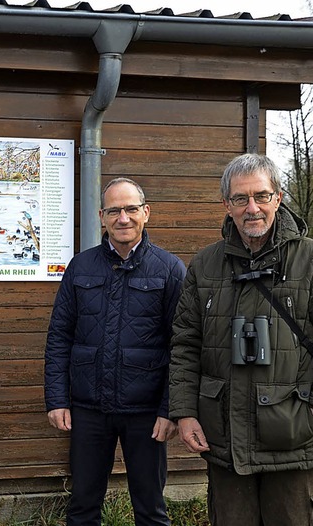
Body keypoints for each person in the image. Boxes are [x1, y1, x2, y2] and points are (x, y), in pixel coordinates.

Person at [170, 153, 313, 525]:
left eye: (261, 196)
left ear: (278, 198)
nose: (252, 208)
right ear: (226, 205)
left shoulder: (309, 260)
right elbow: (186, 344)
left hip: (294, 435)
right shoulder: (205, 264)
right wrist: (185, 413)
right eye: (240, 199)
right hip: (225, 435)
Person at [44, 177, 186, 526]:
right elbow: (60, 336)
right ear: (101, 216)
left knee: (151, 509)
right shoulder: (81, 267)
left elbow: (183, 346)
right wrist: (57, 398)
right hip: (89, 409)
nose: (123, 218)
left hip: (147, 414)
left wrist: (170, 409)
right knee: (82, 508)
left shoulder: (169, 270)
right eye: (114, 211)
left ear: (146, 213)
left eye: (131, 209)